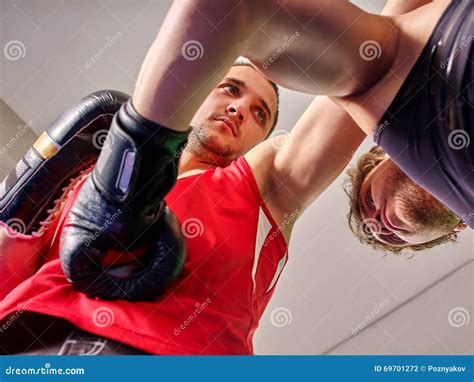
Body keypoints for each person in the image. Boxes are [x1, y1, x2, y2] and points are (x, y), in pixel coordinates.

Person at [0, 0, 471, 355]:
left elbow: (383, 67)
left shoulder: (267, 185)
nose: (241, 107)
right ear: (195, 82)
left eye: (260, 113)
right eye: (230, 89)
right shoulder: (87, 185)